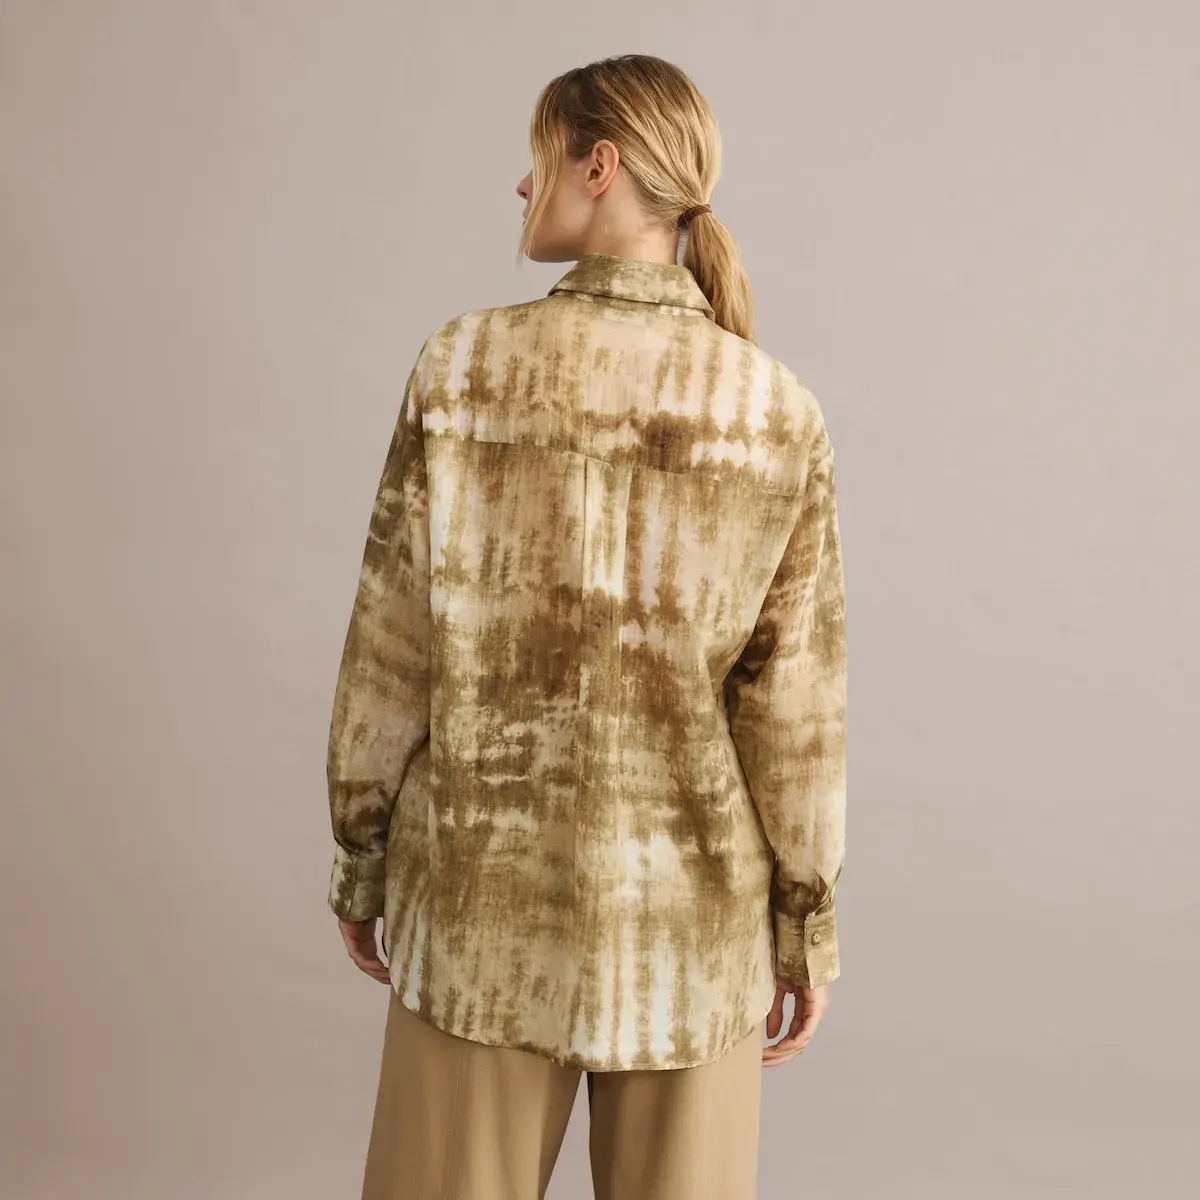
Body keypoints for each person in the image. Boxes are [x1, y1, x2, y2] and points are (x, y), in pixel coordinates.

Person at [325, 53, 847, 1200]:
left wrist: (363, 857)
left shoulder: (462, 368)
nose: (524, 186)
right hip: (691, 937)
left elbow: (393, 648)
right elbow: (793, 712)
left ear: (597, 165)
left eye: (539, 157)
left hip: (478, 909)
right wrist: (804, 922)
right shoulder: (774, 410)